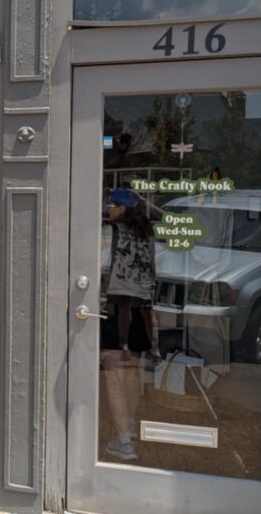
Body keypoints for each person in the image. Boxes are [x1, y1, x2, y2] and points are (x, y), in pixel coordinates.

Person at [100, 188, 157, 461]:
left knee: (113, 370)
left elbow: (98, 268)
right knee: (132, 368)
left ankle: (123, 440)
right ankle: (129, 428)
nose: (107, 208)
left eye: (111, 205)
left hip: (116, 303)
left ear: (122, 209)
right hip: (141, 303)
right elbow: (153, 269)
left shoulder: (109, 232)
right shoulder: (147, 233)